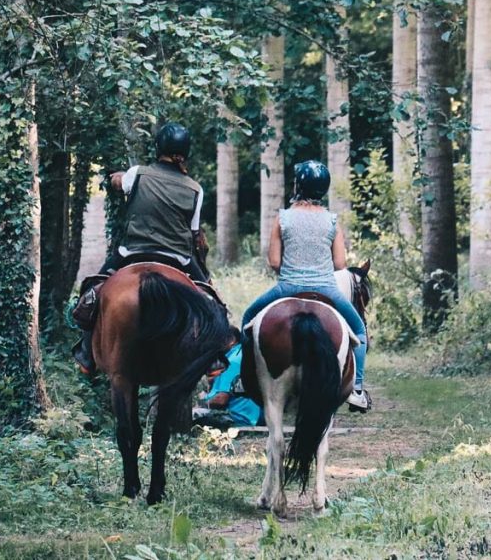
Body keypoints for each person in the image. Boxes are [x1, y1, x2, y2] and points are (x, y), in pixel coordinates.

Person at [71, 122, 212, 374]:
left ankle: (86, 353)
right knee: (211, 301)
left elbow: (117, 182)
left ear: (158, 148)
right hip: (178, 258)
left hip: (132, 253)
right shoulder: (195, 189)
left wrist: (116, 176)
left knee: (91, 290)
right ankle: (212, 357)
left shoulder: (137, 173)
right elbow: (193, 232)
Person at [241, 160, 371, 412]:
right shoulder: (332, 221)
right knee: (359, 331)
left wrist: (293, 269)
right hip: (325, 288)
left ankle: (242, 381)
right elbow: (340, 264)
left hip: (287, 286)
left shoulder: (283, 218)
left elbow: (274, 261)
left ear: (298, 185)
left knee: (248, 318)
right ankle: (356, 390)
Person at [192, 344, 262, 429]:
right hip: (253, 415)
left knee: (193, 418)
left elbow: (221, 400)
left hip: (238, 418)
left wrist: (200, 403)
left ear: (230, 341)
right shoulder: (241, 354)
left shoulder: (232, 361)